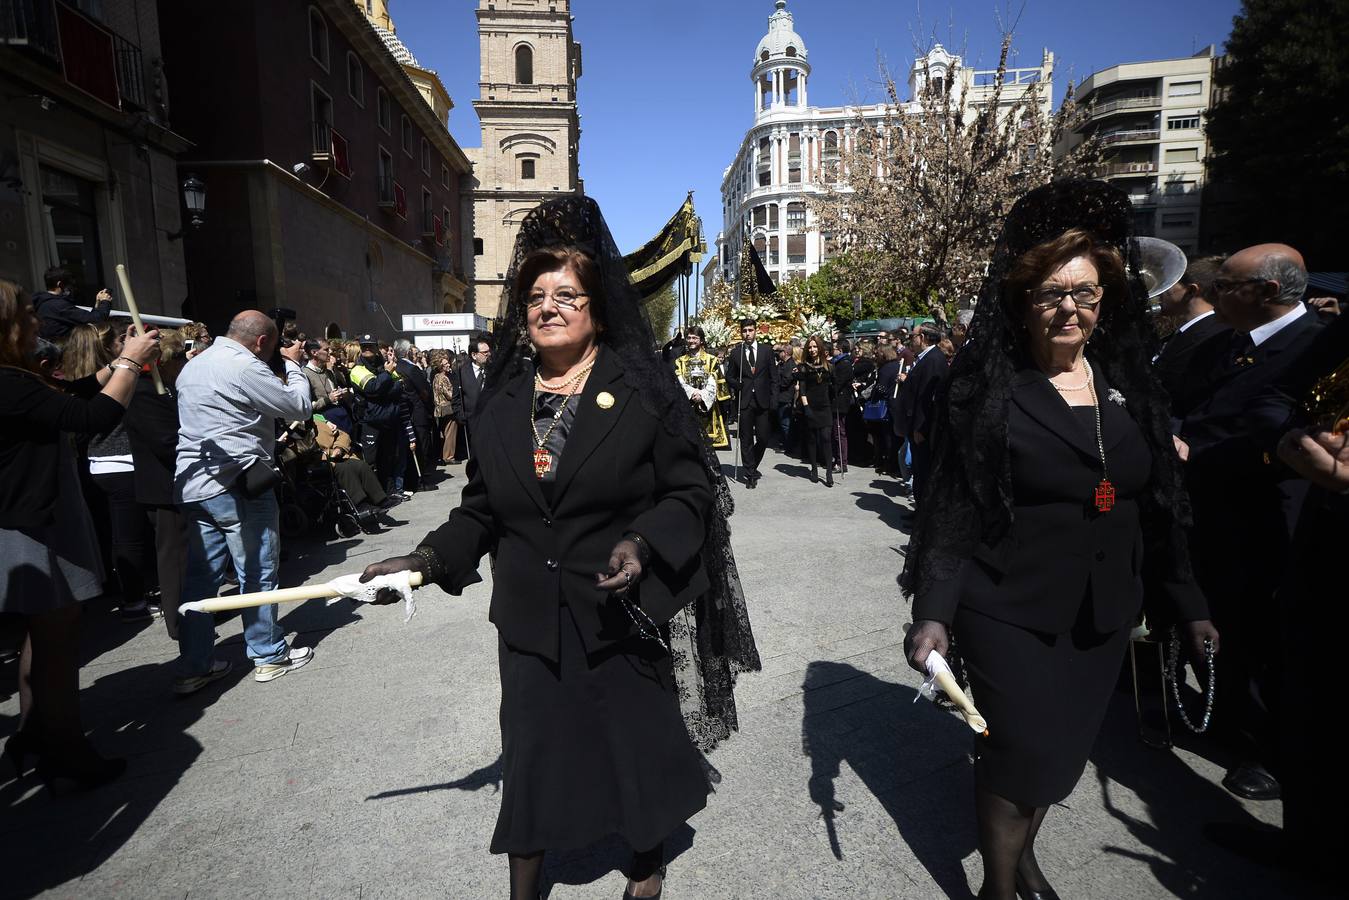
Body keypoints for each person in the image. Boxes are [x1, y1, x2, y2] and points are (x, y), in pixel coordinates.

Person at [361, 197, 760, 900]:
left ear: (596, 310)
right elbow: (481, 509)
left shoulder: (641, 389)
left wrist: (641, 543)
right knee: (534, 750)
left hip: (617, 606)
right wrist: (424, 561)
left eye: (566, 295)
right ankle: (525, 882)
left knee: (630, 741)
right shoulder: (502, 398)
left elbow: (690, 492)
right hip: (527, 617)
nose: (548, 307)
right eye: (536, 295)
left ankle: (645, 859)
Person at [900, 181, 1219, 900]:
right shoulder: (983, 390)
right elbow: (953, 509)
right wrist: (933, 612)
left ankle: (1023, 859)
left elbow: (1157, 508)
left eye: (1085, 292)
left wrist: (1188, 603)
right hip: (1007, 607)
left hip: (1102, 610)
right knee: (1019, 751)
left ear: (1106, 300)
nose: (1068, 308)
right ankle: (998, 886)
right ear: (1021, 300)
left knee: (1060, 757)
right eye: (1049, 293)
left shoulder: (1131, 388)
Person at [1, 279, 160, 789]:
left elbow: (72, 395)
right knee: (57, 639)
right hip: (35, 524)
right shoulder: (9, 382)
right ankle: (65, 752)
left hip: (31, 518)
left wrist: (116, 366)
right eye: (26, 313)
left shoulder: (14, 379)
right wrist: (132, 363)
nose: (36, 321)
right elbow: (90, 415)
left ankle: (34, 734)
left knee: (42, 634)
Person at [1179, 243, 1323, 802]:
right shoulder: (1224, 343)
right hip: (1212, 513)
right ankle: (1227, 715)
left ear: (1266, 293)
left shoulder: (1312, 348)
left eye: (1226, 287)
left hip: (1268, 519)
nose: (1213, 297)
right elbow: (1189, 404)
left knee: (1265, 637)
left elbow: (1296, 440)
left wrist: (1200, 451)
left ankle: (1268, 751)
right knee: (1222, 623)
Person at [172, 310, 315, 694]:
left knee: (201, 580)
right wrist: (294, 366)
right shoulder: (245, 367)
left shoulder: (193, 367)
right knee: (258, 570)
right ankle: (269, 654)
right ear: (262, 342)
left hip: (195, 486)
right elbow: (299, 406)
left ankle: (193, 665)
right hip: (238, 483)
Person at [63, 323, 159, 621]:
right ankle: (133, 601)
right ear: (106, 347)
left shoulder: (78, 382)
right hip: (122, 462)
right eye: (120, 340)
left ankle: (131, 593)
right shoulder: (117, 381)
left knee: (118, 534)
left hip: (98, 465)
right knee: (130, 536)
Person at [123, 328, 192, 640]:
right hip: (163, 486)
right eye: (178, 356)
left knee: (186, 554)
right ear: (162, 360)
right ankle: (180, 623)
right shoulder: (143, 392)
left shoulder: (165, 390)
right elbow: (166, 441)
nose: (183, 361)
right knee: (173, 558)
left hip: (177, 484)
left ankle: (193, 609)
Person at [1153, 255, 1229, 420]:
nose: (1163, 291)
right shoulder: (1190, 330)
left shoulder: (1213, 335)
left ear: (1191, 291)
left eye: (1170, 284)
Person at [894, 325, 948, 504]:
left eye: (913, 336)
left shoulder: (933, 359)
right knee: (918, 470)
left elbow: (927, 399)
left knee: (923, 471)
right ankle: (919, 510)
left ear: (922, 337)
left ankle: (923, 514)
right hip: (915, 425)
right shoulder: (924, 358)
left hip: (922, 428)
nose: (911, 339)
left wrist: (920, 428)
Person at [349, 337, 406, 493]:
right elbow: (372, 388)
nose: (367, 349)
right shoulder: (357, 369)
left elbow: (400, 386)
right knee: (371, 463)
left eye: (371, 346)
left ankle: (390, 493)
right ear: (360, 348)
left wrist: (384, 385)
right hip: (370, 422)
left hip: (388, 421)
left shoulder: (382, 366)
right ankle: (375, 496)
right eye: (364, 346)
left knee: (387, 460)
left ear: (375, 348)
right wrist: (386, 376)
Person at [725, 317, 776, 488]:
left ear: (756, 331)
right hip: (745, 400)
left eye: (750, 330)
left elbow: (774, 377)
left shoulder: (766, 351)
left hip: (762, 401)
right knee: (746, 439)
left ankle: (752, 462)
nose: (747, 334)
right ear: (741, 332)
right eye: (744, 331)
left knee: (763, 438)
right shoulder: (735, 353)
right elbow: (729, 376)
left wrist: (773, 399)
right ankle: (750, 474)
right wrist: (736, 384)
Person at [674, 325, 730, 450]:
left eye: (695, 338)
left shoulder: (712, 360)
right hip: (687, 407)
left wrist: (703, 396)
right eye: (689, 338)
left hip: (707, 409)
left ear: (701, 340)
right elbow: (679, 381)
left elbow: (713, 381)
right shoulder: (680, 361)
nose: (691, 341)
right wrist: (692, 393)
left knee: (708, 448)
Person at [393, 338, 436, 487]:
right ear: (407, 352)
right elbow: (424, 391)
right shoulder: (411, 369)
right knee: (421, 447)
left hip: (408, 412)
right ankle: (421, 480)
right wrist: (429, 407)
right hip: (417, 412)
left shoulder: (397, 367)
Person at [32, 267, 114, 341]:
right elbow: (96, 319)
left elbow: (88, 320)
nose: (72, 289)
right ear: (60, 284)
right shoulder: (59, 306)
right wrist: (105, 301)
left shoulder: (42, 303)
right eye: (69, 284)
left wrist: (98, 303)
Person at [797, 335, 836, 486]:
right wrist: (806, 407)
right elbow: (803, 390)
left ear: (820, 348)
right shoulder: (804, 367)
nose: (812, 350)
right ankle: (814, 468)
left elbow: (834, 386)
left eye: (815, 347)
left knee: (826, 438)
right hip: (811, 405)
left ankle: (828, 472)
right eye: (810, 347)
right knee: (812, 439)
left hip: (825, 406)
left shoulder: (829, 366)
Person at [302, 339, 354, 435]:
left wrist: (342, 393)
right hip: (326, 425)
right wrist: (328, 399)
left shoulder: (329, 372)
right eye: (326, 349)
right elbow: (306, 407)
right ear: (314, 353)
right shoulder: (304, 375)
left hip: (342, 419)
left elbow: (335, 396)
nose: (330, 352)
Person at [453, 334, 491, 456]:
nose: (488, 354)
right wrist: (460, 414)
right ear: (474, 355)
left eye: (488, 351)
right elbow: (456, 398)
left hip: (491, 419)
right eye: (484, 353)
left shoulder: (493, 370)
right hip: (471, 421)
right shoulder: (462, 372)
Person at [831, 339, 855, 473]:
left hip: (840, 402)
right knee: (835, 432)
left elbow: (838, 384)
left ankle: (842, 462)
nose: (832, 350)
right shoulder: (837, 362)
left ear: (840, 349)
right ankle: (837, 459)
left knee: (839, 433)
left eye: (834, 347)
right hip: (836, 402)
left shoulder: (844, 364)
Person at [773, 343, 798, 455]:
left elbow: (785, 381)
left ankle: (789, 446)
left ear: (786, 353)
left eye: (781, 351)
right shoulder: (782, 364)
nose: (779, 354)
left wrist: (775, 383)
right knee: (782, 422)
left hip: (786, 397)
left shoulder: (790, 365)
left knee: (786, 423)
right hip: (780, 397)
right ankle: (784, 443)